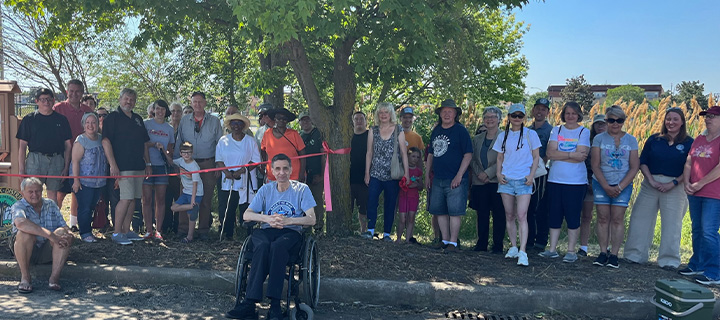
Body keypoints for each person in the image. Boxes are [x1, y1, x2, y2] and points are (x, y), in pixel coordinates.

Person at [225, 154, 316, 320]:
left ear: (291, 170)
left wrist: (288, 220)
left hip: (290, 232)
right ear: (272, 171)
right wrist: (268, 218)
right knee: (262, 246)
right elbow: (247, 214)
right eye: (278, 169)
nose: (281, 172)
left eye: (285, 168)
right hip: (266, 230)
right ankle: (249, 303)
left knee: (277, 247)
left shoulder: (301, 189)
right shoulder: (266, 189)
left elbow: (312, 218)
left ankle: (274, 304)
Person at [624, 108, 693, 269]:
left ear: (682, 122)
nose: (671, 122)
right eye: (668, 119)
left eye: (675, 119)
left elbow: (690, 167)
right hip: (651, 183)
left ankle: (669, 260)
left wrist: (674, 183)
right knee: (639, 219)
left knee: (672, 224)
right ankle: (635, 255)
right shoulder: (654, 139)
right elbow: (643, 162)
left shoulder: (690, 142)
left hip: (675, 186)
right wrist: (651, 180)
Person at [538, 102, 591, 263]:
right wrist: (570, 155)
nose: (570, 116)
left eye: (574, 113)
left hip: (576, 182)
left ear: (578, 115)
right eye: (567, 113)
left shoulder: (583, 131)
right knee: (554, 214)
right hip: (555, 179)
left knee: (573, 215)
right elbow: (550, 153)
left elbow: (582, 155)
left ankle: (571, 250)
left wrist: (561, 154)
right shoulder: (557, 130)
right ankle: (552, 249)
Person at [590, 105, 639, 269]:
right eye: (611, 120)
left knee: (617, 219)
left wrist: (620, 186)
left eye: (619, 120)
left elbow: (634, 166)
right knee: (603, 218)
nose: (615, 124)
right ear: (607, 121)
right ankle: (603, 252)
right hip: (601, 182)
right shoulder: (599, 139)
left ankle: (614, 254)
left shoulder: (631, 140)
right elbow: (595, 165)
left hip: (623, 184)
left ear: (623, 121)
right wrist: (605, 185)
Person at [102, 88, 151, 245]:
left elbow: (144, 142)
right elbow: (106, 141)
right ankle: (117, 233)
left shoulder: (137, 118)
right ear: (120, 99)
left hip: (138, 165)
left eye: (132, 99)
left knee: (134, 200)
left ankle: (126, 230)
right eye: (126, 99)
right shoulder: (112, 117)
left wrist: (148, 163)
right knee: (125, 198)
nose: (129, 102)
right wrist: (113, 165)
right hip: (122, 166)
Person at [493, 103, 541, 266]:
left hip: (523, 180)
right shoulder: (502, 136)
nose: (517, 119)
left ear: (524, 118)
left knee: (522, 216)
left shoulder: (531, 134)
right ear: (509, 117)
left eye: (520, 116)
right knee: (509, 215)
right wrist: (499, 174)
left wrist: (531, 175)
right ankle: (513, 247)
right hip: (506, 179)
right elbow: (499, 157)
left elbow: (536, 157)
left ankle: (523, 250)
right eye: (514, 116)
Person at [10, 178, 74, 294]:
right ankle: (25, 277)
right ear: (22, 193)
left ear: (42, 191)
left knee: (62, 233)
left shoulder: (51, 204)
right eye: (30, 192)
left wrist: (69, 235)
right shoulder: (18, 206)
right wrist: (50, 235)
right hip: (26, 249)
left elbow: (64, 226)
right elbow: (21, 223)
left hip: (47, 250)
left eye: (38, 191)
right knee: (24, 233)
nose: (35, 195)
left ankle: (54, 278)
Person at [174, 91, 224, 240]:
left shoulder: (214, 121)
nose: (197, 105)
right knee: (186, 197)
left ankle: (203, 231)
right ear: (191, 103)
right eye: (194, 102)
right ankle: (183, 230)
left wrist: (218, 165)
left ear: (205, 103)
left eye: (200, 102)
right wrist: (178, 164)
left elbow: (219, 144)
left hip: (207, 163)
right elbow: (179, 142)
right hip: (187, 165)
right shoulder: (184, 121)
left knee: (205, 199)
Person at [680, 106, 720, 285]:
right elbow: (689, 161)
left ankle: (714, 271)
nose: (707, 119)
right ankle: (697, 264)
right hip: (694, 191)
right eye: (706, 116)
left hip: (714, 193)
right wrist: (687, 182)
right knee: (697, 229)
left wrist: (700, 183)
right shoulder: (700, 139)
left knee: (709, 231)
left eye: (712, 117)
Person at [426, 99, 472, 253]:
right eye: (443, 111)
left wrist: (459, 176)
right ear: (440, 114)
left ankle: (453, 242)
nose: (446, 114)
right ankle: (444, 240)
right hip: (438, 177)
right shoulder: (436, 130)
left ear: (455, 114)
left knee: (455, 211)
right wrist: (427, 175)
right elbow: (431, 154)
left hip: (455, 179)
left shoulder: (461, 131)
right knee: (439, 211)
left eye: (450, 111)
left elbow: (468, 155)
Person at [16, 88, 72, 205]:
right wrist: (21, 170)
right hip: (35, 160)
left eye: (49, 99)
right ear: (36, 101)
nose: (46, 102)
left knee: (53, 197)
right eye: (42, 99)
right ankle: (33, 222)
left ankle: (51, 222)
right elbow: (22, 146)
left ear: (53, 100)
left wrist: (66, 167)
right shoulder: (29, 119)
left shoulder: (62, 120)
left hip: (57, 160)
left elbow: (68, 145)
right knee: (33, 194)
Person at [364, 102, 409, 242]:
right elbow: (369, 152)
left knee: (390, 203)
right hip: (376, 172)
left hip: (392, 174)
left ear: (391, 114)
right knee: (371, 200)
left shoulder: (398, 129)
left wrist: (406, 173)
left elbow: (403, 152)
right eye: (381, 112)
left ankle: (387, 233)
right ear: (378, 115)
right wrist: (367, 173)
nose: (383, 115)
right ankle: (370, 230)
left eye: (386, 112)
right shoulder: (373, 130)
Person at [54, 80, 94, 230]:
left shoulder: (87, 110)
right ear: (67, 91)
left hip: (84, 157)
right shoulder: (58, 108)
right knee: (60, 191)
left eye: (77, 91)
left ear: (82, 93)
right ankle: (55, 221)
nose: (74, 94)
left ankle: (73, 223)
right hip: (62, 155)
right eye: (71, 91)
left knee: (78, 190)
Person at [216, 114, 260, 240]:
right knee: (227, 207)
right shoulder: (223, 141)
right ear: (230, 125)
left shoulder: (250, 141)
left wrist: (241, 170)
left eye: (239, 123)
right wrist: (227, 172)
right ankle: (228, 234)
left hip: (245, 179)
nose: (236, 126)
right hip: (228, 180)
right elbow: (219, 159)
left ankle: (247, 235)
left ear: (243, 126)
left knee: (245, 207)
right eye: (234, 123)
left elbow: (256, 160)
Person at [470, 106, 505, 253]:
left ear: (499, 119)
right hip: (479, 182)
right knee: (482, 214)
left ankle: (497, 246)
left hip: (497, 181)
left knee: (499, 214)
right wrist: (480, 173)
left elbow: (505, 159)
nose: (490, 119)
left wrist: (489, 173)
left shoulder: (505, 137)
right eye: (487, 117)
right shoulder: (477, 139)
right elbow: (471, 158)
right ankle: (481, 244)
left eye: (493, 117)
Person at [71, 112, 108, 243]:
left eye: (93, 122)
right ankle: (84, 232)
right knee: (85, 207)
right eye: (87, 123)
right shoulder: (81, 140)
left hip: (98, 182)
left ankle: (89, 231)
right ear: (83, 125)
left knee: (92, 206)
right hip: (84, 181)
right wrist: (76, 180)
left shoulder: (101, 138)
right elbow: (75, 161)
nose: (90, 125)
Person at [142, 100, 175, 241]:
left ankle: (158, 230)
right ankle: (148, 229)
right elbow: (142, 144)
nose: (160, 111)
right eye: (157, 109)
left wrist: (166, 153)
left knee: (160, 200)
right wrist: (152, 146)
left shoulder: (169, 128)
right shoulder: (146, 124)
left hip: (162, 167)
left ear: (166, 111)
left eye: (163, 109)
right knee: (147, 199)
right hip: (146, 166)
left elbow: (171, 150)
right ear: (153, 110)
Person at [579, 114, 607, 256]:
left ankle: (606, 246)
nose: (600, 126)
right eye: (597, 124)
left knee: (606, 216)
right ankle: (583, 246)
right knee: (586, 216)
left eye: (603, 123)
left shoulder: (612, 141)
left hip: (608, 183)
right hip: (589, 181)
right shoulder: (588, 141)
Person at [526, 97, 552, 251]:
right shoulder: (527, 130)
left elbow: (549, 152)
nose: (540, 111)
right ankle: (528, 239)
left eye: (543, 109)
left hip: (542, 172)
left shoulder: (551, 130)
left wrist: (539, 163)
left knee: (541, 206)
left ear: (547, 112)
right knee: (527, 206)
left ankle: (541, 240)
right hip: (527, 171)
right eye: (538, 108)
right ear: (533, 110)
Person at [261, 108, 306, 182]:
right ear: (275, 119)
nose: (281, 120)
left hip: (293, 175)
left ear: (287, 121)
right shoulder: (267, 133)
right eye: (279, 118)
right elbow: (263, 150)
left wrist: (301, 173)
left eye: (284, 119)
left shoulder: (294, 134)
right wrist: (265, 166)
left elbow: (303, 154)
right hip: (273, 175)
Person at [299, 111, 326, 234]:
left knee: (317, 200)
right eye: (302, 120)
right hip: (304, 175)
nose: (305, 122)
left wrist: (321, 175)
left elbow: (323, 155)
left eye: (307, 120)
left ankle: (319, 227)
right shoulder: (299, 137)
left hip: (317, 173)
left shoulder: (318, 134)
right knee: (304, 201)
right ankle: (306, 227)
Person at [171, 142, 204, 243]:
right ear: (180, 153)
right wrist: (163, 150)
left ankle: (190, 237)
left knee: (191, 216)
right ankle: (192, 206)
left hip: (196, 192)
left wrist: (193, 199)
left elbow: (195, 184)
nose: (186, 155)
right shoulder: (180, 161)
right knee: (173, 207)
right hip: (186, 192)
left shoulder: (194, 166)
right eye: (184, 152)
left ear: (192, 153)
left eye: (189, 153)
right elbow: (170, 161)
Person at [396, 147, 423, 243]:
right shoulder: (403, 169)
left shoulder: (418, 171)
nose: (415, 159)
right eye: (413, 156)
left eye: (417, 157)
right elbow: (400, 183)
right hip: (403, 196)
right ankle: (398, 238)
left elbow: (421, 186)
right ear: (407, 156)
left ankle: (407, 239)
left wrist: (417, 184)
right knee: (402, 218)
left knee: (411, 218)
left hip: (413, 197)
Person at [350, 111, 369, 235]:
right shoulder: (348, 136)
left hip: (365, 177)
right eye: (356, 119)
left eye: (361, 119)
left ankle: (364, 230)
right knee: (348, 206)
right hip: (349, 177)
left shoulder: (370, 135)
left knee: (364, 206)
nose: (359, 121)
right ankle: (348, 228)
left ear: (366, 121)